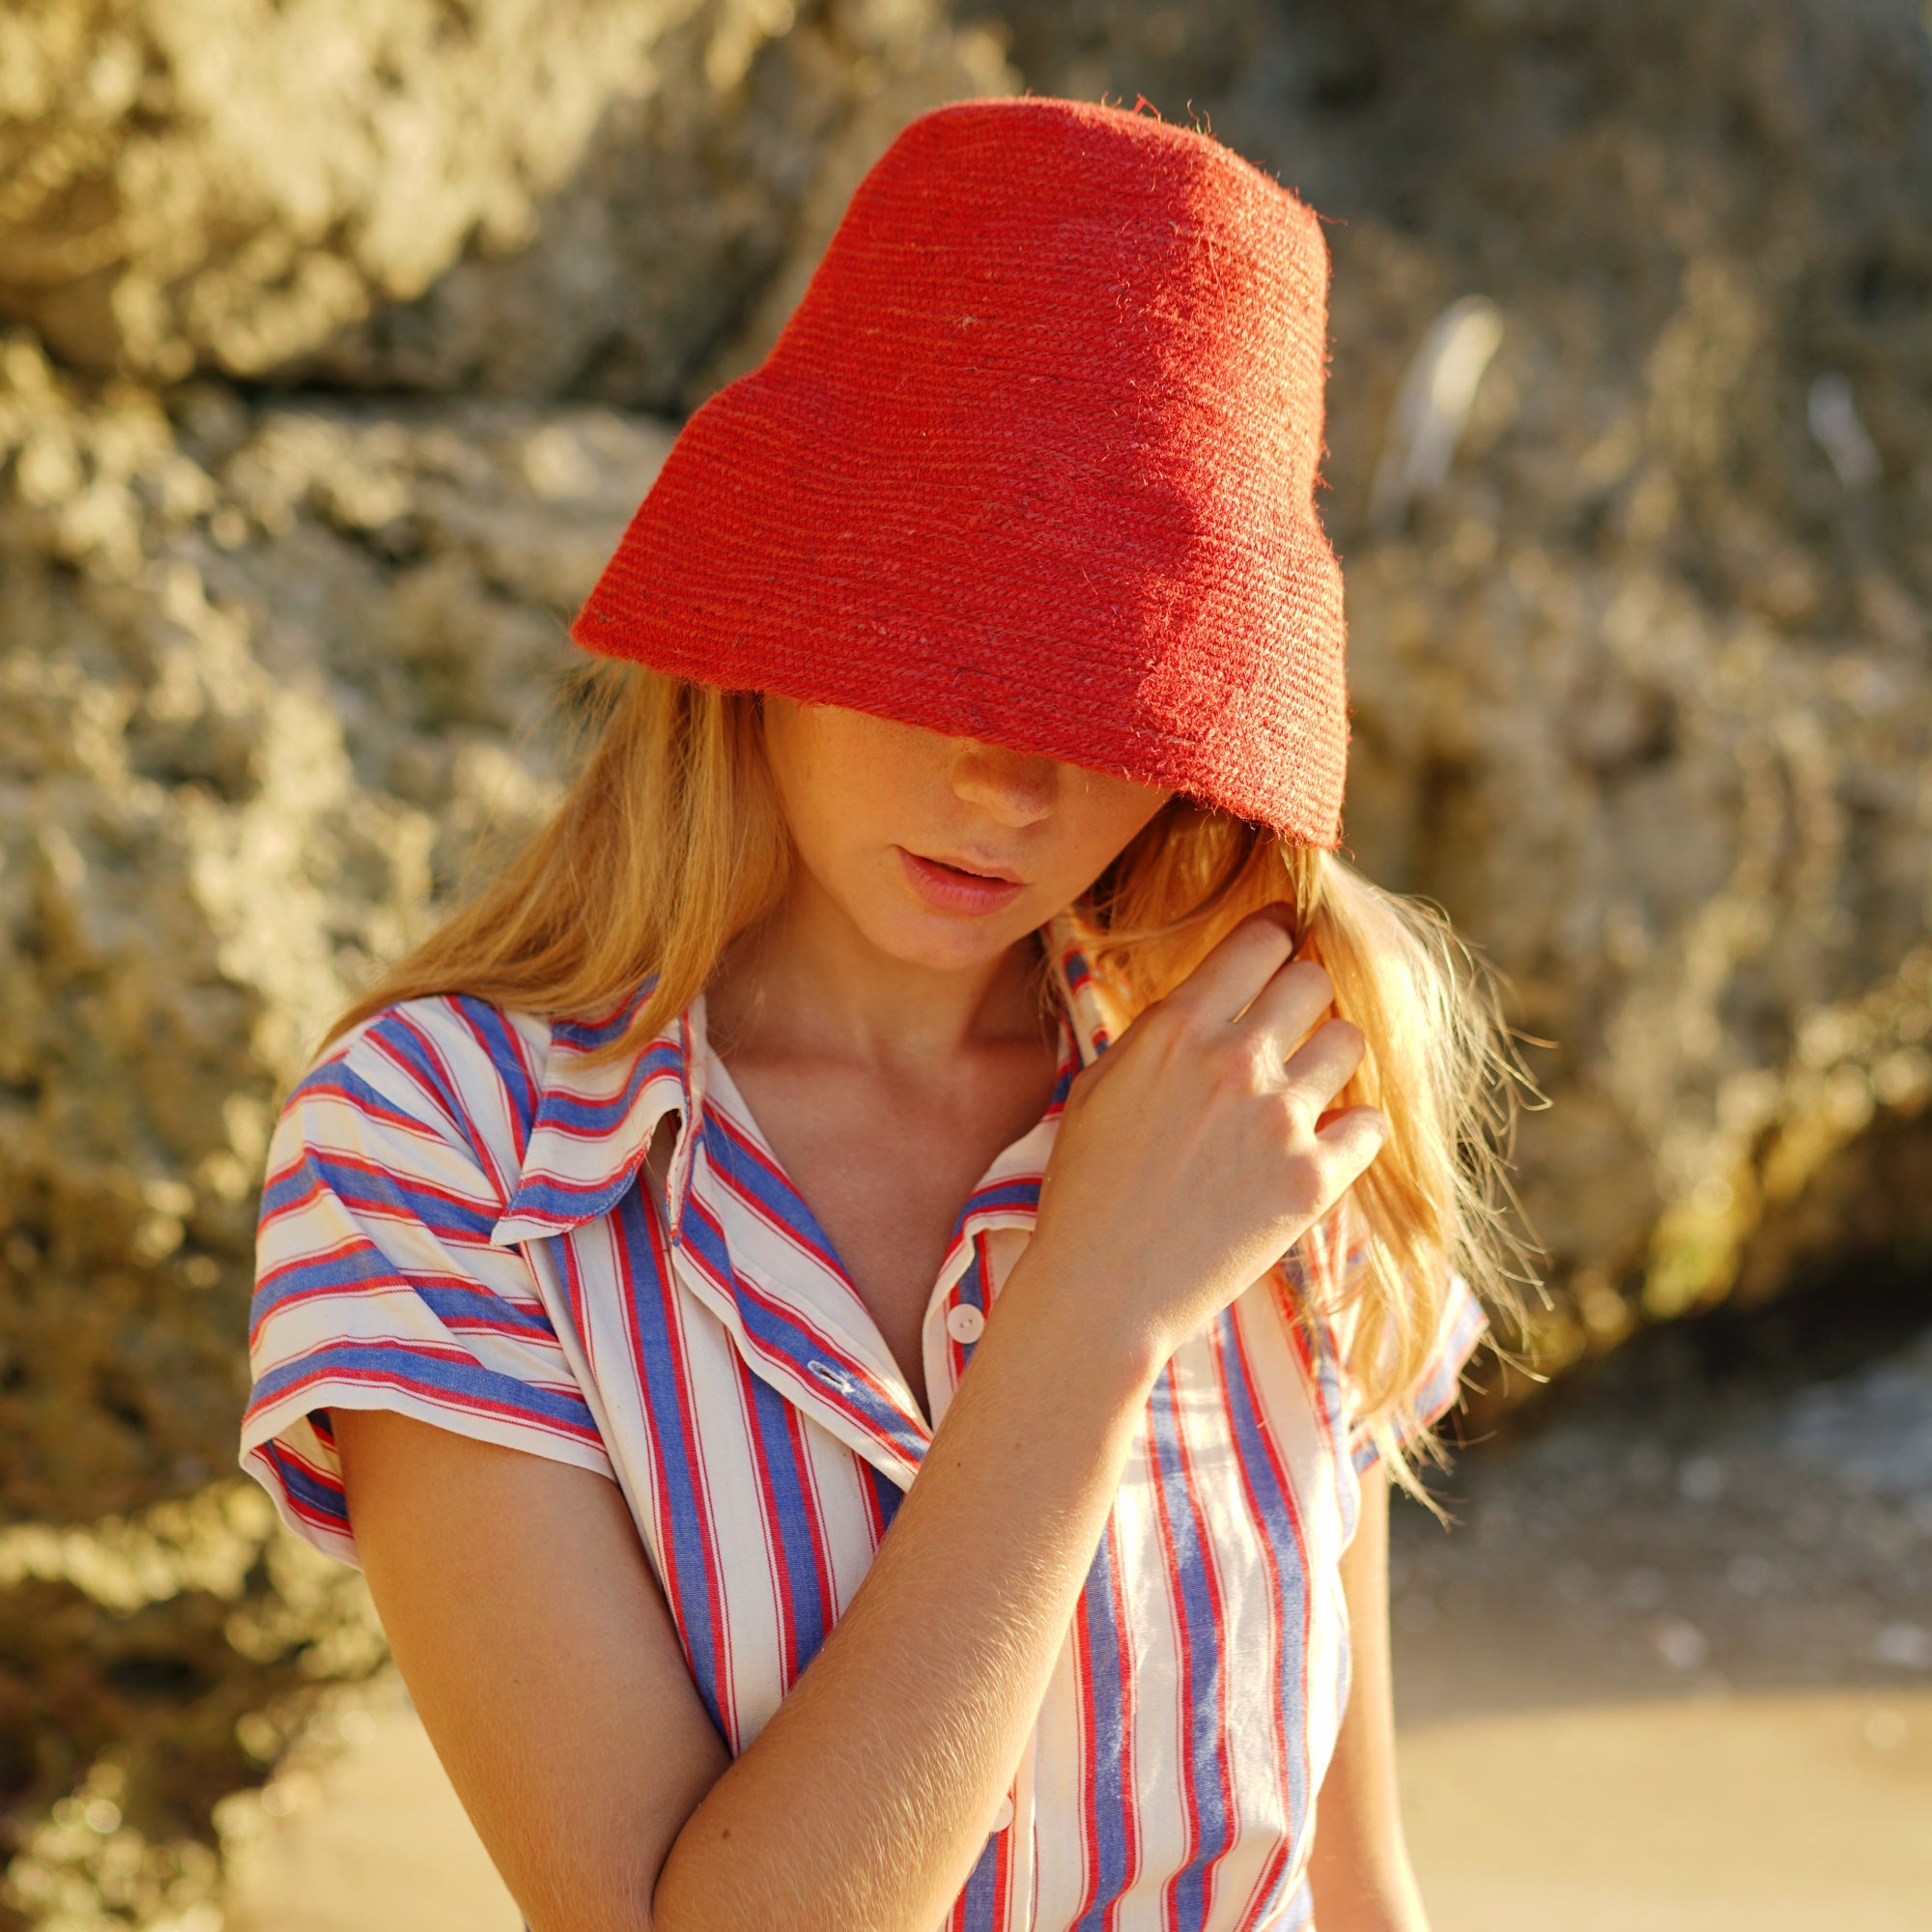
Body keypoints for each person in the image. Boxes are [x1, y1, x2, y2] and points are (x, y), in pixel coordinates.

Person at [242, 97, 1522, 1932]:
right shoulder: (443, 1152)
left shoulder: (1267, 1101)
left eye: (1109, 686)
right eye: (940, 645)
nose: (1008, 781)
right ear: (774, 607)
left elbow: (1353, 1880)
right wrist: (1092, 1312)